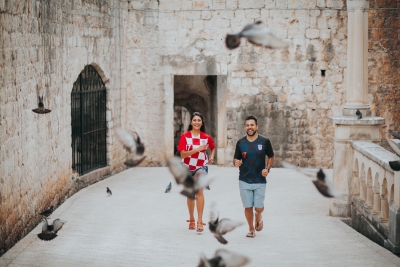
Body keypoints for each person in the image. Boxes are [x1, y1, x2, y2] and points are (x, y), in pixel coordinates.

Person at [233, 115, 274, 238]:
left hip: (260, 180)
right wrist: (236, 162)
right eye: (247, 125)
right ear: (245, 127)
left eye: (252, 125)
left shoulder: (264, 141)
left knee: (259, 207)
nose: (249, 127)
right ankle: (251, 229)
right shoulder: (240, 143)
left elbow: (271, 156)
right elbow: (236, 158)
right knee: (248, 206)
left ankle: (259, 215)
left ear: (257, 126)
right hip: (244, 179)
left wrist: (267, 169)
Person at [177, 111, 216, 232]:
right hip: (187, 167)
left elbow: (212, 147)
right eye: (195, 120)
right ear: (191, 122)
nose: (197, 122)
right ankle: (192, 218)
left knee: (199, 191)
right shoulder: (185, 136)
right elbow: (183, 154)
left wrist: (211, 156)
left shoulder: (206, 137)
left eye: (199, 120)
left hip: (201, 167)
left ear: (202, 122)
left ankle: (200, 221)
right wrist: (197, 149)